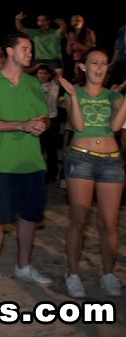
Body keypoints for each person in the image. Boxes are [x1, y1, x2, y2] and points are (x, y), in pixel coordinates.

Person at [0, 32, 52, 293]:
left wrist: (42, 124)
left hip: (32, 162)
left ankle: (23, 266)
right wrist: (20, 125)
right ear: (9, 51)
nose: (29, 53)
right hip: (1, 164)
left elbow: (45, 117)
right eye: (24, 48)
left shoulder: (33, 83)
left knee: (29, 218)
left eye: (31, 49)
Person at [58, 48, 126, 298]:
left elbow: (116, 126)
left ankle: (108, 273)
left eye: (104, 63)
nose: (99, 67)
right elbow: (78, 126)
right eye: (94, 62)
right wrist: (74, 96)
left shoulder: (113, 96)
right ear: (83, 67)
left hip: (111, 161)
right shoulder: (71, 92)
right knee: (79, 218)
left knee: (109, 223)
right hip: (81, 158)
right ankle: (72, 273)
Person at [33, 64, 61, 185]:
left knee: (52, 150)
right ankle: (37, 172)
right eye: (40, 73)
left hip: (52, 119)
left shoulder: (53, 85)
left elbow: (59, 71)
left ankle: (52, 174)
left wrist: (45, 62)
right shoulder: (32, 85)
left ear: (49, 75)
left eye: (45, 73)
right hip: (39, 119)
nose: (43, 75)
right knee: (38, 148)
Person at [108, 23, 126, 87]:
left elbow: (118, 48)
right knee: (117, 85)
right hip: (122, 62)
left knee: (117, 85)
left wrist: (112, 63)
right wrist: (112, 63)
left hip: (122, 61)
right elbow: (118, 48)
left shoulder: (123, 28)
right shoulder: (123, 29)